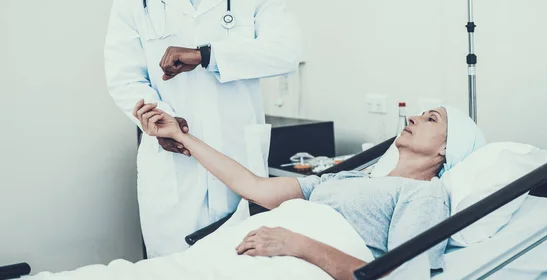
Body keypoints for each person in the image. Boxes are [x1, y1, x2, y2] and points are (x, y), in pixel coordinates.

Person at [104, 0, 302, 257]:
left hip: (239, 164)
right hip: (173, 171)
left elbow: (286, 52)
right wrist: (158, 120)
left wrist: (206, 55)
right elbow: (124, 78)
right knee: (173, 268)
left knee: (243, 266)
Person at [133, 100, 486, 279]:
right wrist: (181, 136)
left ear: (447, 150)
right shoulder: (350, 179)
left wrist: (296, 244)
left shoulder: (424, 194)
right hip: (248, 254)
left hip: (291, 263)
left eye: (431, 119)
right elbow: (254, 187)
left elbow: (401, 278)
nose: (413, 118)